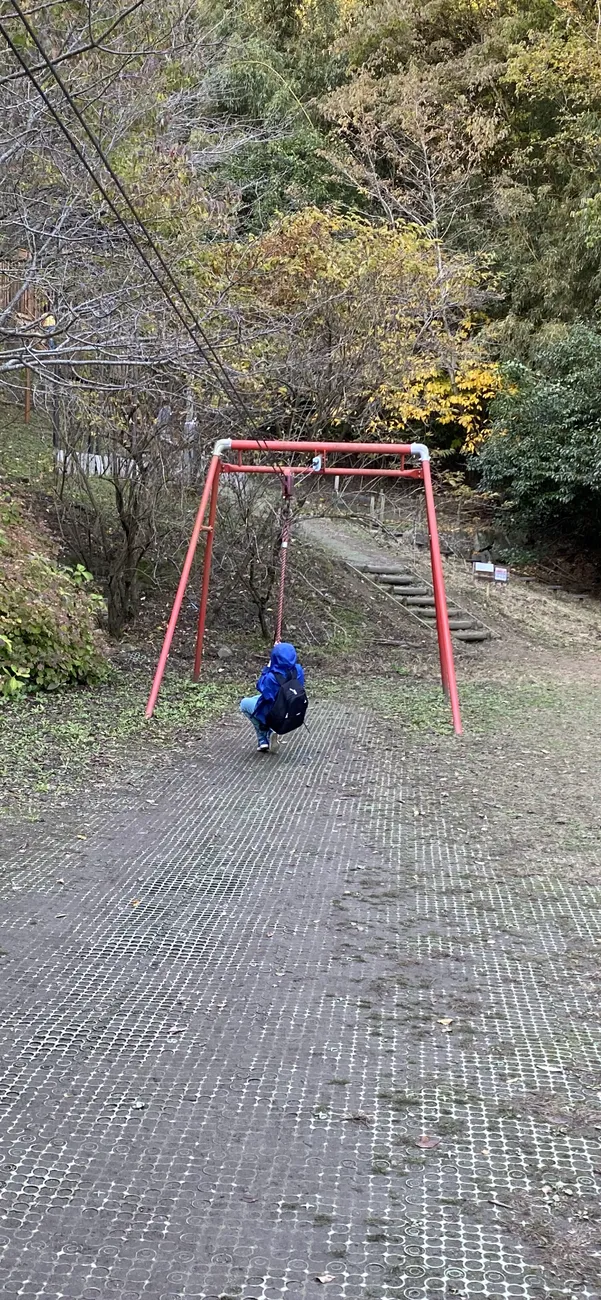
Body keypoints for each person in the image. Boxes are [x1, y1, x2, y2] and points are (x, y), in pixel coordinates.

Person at [240, 641, 305, 751]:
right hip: (289, 712)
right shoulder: (298, 670)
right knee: (256, 699)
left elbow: (261, 687)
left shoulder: (271, 677)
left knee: (244, 704)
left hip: (274, 714)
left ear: (275, 658)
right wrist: (278, 649)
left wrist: (268, 666)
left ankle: (266, 733)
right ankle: (263, 741)